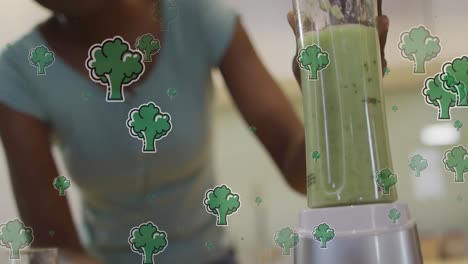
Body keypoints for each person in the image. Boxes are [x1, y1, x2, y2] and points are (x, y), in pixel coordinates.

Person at [0, 0, 389, 263]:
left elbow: (299, 166)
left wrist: (336, 100)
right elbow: (57, 249)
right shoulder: (19, 70)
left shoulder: (197, 17)